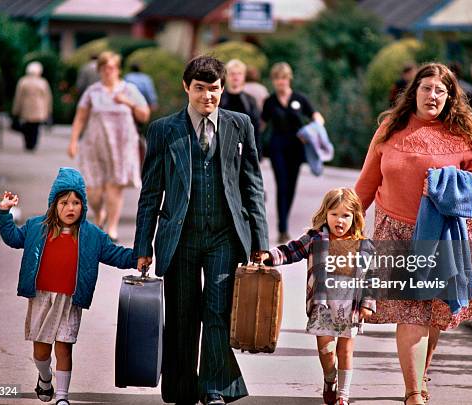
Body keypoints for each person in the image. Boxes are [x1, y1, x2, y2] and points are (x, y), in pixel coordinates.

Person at [133, 55, 269, 405]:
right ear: (186, 87)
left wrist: (260, 241)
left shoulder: (241, 125)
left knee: (217, 311)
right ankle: (181, 388)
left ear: (223, 89)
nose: (207, 96)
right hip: (181, 237)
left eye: (214, 89)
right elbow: (150, 191)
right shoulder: (164, 129)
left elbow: (253, 185)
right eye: (200, 88)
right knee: (182, 314)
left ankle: (214, 388)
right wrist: (143, 245)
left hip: (225, 235)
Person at [354, 63, 472, 405]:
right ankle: (413, 392)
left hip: (443, 236)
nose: (433, 96)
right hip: (396, 235)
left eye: (441, 91)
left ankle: (421, 375)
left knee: (434, 317)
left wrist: (450, 184)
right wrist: (346, 225)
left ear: (450, 97)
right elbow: (367, 183)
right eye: (427, 88)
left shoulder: (462, 133)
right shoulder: (390, 128)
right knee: (411, 315)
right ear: (414, 91)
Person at [0, 167, 136, 405]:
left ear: (83, 206)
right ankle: (45, 377)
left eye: (76, 202)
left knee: (64, 348)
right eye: (64, 202)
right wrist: (4, 213)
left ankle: (62, 396)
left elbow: (115, 254)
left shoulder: (91, 235)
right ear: (54, 204)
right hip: (41, 298)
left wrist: (139, 256)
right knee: (41, 352)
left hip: (70, 300)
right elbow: (13, 239)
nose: (70, 208)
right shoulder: (36, 227)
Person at [258, 188, 376, 405]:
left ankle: (343, 395)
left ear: (355, 217)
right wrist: (269, 256)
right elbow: (290, 250)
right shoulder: (316, 238)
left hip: (349, 307)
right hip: (322, 306)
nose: (339, 220)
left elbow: (371, 277)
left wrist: (368, 304)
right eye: (334, 214)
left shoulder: (364, 246)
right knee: (327, 351)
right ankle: (330, 379)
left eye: (345, 215)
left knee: (345, 350)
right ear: (325, 214)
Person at [67, 51, 149, 242]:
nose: (108, 71)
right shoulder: (92, 91)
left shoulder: (129, 90)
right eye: (104, 68)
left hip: (121, 146)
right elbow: (80, 117)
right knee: (93, 190)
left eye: (111, 67)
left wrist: (127, 102)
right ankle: (99, 214)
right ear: (99, 70)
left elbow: (144, 115)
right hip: (94, 145)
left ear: (118, 69)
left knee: (114, 187)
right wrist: (73, 141)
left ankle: (111, 228)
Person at [261, 62, 325, 243]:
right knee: (282, 185)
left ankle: (284, 222)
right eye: (276, 78)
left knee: (291, 187)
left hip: (297, 147)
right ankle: (283, 228)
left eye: (283, 78)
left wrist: (314, 130)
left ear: (289, 78)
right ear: (273, 81)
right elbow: (262, 124)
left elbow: (317, 116)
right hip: (277, 146)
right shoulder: (270, 101)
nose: (280, 82)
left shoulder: (300, 98)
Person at [219, 59, 262, 159]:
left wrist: (257, 151)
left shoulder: (250, 101)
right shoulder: (219, 99)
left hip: (244, 149)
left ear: (244, 76)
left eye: (239, 73)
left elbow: (255, 126)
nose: (236, 77)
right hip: (222, 147)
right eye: (232, 73)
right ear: (226, 76)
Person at [12, 61, 53, 151]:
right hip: (39, 108)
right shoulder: (42, 82)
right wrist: (49, 109)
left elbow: (18, 97)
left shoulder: (23, 81)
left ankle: (28, 143)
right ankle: (33, 143)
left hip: (26, 108)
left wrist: (16, 110)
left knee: (27, 126)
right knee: (35, 127)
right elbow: (47, 97)